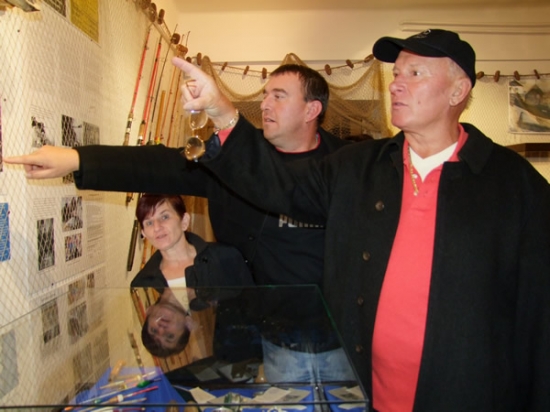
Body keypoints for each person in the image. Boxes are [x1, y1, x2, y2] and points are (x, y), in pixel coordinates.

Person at [162, 29, 549, 411]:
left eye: (415, 73)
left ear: (457, 90)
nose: (396, 84)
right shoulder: (359, 166)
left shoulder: (515, 186)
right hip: (364, 392)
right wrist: (222, 113)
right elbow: (280, 185)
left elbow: (538, 320)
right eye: (397, 73)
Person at [5, 64, 350, 287]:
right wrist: (76, 158)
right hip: (247, 324)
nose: (264, 105)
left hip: (329, 328)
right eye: (265, 96)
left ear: (311, 109)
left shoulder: (347, 168)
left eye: (279, 96)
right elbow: (160, 166)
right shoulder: (232, 157)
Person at [131, 193, 253, 357]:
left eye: (164, 217)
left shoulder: (226, 258)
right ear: (144, 233)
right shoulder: (142, 284)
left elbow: (253, 308)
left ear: (184, 221)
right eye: (149, 222)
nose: (157, 227)